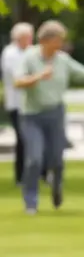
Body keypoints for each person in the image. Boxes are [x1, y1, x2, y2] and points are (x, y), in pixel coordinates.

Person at [14, 20, 84, 214]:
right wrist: (38, 77)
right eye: (58, 40)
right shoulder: (29, 57)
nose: (61, 44)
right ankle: (31, 201)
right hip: (31, 116)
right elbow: (18, 81)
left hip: (55, 113)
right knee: (34, 159)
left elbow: (81, 72)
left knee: (57, 159)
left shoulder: (62, 59)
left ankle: (57, 188)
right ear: (46, 40)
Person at [3, 22, 34, 185]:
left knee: (34, 138)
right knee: (22, 139)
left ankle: (39, 173)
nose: (30, 40)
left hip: (33, 103)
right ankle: (20, 175)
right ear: (18, 38)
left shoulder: (31, 52)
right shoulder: (10, 54)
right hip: (17, 103)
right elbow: (18, 76)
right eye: (27, 37)